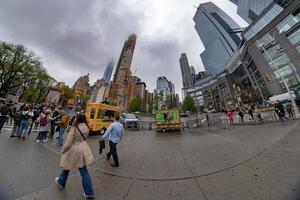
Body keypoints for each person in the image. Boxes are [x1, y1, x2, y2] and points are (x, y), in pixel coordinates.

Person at [55, 113, 95, 199]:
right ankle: (89, 192)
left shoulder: (74, 128)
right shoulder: (86, 127)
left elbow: (69, 142)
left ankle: (61, 181)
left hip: (74, 148)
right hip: (83, 148)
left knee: (67, 165)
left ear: (77, 119)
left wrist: (63, 150)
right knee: (84, 171)